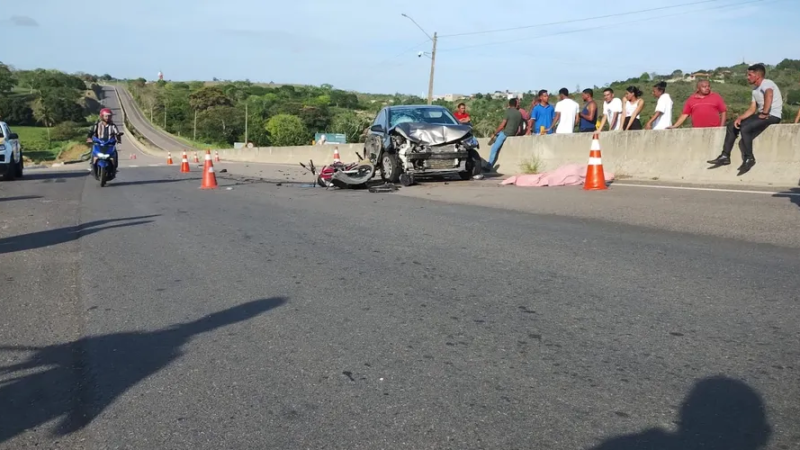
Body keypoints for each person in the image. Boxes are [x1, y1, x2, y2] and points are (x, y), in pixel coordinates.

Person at [707, 63, 782, 173]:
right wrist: (740, 118)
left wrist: (765, 112)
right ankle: (725, 156)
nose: (747, 77)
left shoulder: (767, 83)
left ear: (757, 75)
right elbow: (752, 109)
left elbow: (769, 94)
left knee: (745, 128)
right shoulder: (755, 90)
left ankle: (749, 158)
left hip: (773, 115)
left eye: (750, 75)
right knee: (732, 125)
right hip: (762, 114)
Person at [486, 98, 523, 172]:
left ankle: (489, 165)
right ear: (515, 104)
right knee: (499, 134)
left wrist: (495, 132)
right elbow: (520, 128)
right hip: (512, 133)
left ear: (509, 104)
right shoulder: (519, 113)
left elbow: (502, 125)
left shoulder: (508, 112)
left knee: (494, 149)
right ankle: (495, 137)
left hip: (505, 133)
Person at [86, 108, 123, 172]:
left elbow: (117, 133)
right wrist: (89, 138)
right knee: (93, 151)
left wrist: (118, 138)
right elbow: (91, 132)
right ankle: (92, 165)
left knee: (114, 153)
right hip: (98, 143)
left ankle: (114, 167)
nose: (107, 117)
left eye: (109, 116)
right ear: (102, 116)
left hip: (109, 144)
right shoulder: (97, 125)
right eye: (106, 116)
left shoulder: (113, 126)